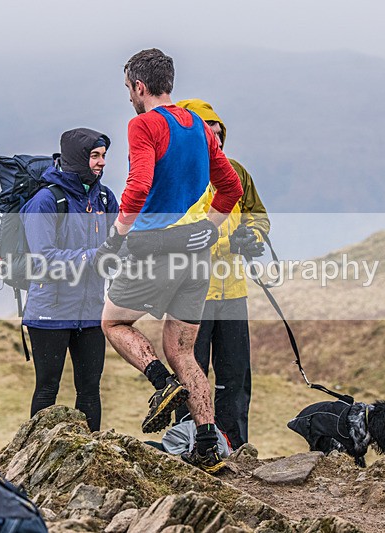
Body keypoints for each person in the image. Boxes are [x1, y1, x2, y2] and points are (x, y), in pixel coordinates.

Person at [98, 49, 243, 474]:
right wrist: (211, 228)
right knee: (183, 351)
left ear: (140, 86)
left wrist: (115, 237)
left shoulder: (143, 124)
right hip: (195, 253)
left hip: (152, 246)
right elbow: (231, 187)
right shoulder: (198, 126)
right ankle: (207, 444)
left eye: (129, 88)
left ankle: (162, 384)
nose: (129, 96)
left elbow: (138, 186)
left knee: (113, 323)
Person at [173, 98, 270, 451]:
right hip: (191, 293)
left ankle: (236, 449)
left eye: (219, 134)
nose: (216, 140)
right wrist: (230, 241)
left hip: (233, 294)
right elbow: (181, 231)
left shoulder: (236, 172)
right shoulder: (176, 177)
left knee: (235, 376)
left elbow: (258, 214)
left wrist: (252, 235)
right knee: (190, 373)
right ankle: (188, 446)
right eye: (208, 134)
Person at [20, 128, 119, 432]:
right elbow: (44, 258)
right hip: (49, 311)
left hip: (91, 311)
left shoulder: (105, 198)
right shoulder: (46, 201)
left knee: (90, 390)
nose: (102, 162)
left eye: (103, 155)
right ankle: (34, 452)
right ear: (77, 157)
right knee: (47, 388)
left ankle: (93, 453)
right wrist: (93, 256)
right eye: (95, 156)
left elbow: (119, 245)